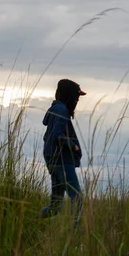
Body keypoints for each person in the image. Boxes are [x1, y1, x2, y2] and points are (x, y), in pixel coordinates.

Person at [41, 79, 86, 227]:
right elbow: (57, 134)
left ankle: (32, 222)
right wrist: (73, 146)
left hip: (53, 161)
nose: (77, 99)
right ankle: (73, 236)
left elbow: (48, 136)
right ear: (68, 95)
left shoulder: (55, 109)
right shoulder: (62, 110)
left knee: (55, 206)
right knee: (77, 199)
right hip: (62, 161)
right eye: (76, 96)